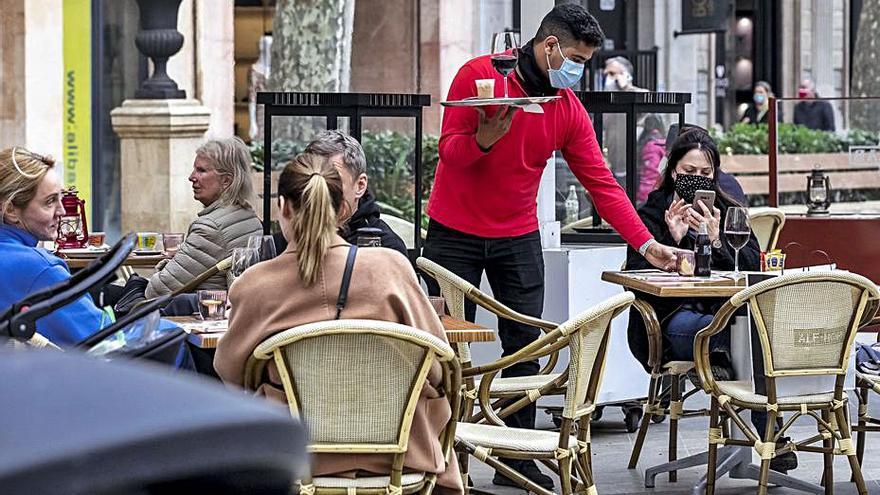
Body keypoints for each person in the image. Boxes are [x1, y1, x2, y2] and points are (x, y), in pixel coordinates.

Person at [423, 4, 677, 489]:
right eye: (577, 58)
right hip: (452, 233)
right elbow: (449, 155)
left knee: (526, 347)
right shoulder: (479, 76)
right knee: (440, 347)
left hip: (517, 236)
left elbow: (602, 185)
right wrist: (484, 139)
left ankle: (514, 460)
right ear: (550, 46)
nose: (579, 71)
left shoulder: (564, 106)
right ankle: (440, 459)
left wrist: (647, 245)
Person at [214, 152, 462, 494]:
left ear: (282, 207)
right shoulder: (391, 269)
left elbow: (231, 375)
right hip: (401, 453)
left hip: (293, 456)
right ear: (343, 209)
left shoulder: (255, 285)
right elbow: (439, 369)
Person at [624, 130, 797, 472]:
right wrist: (670, 244)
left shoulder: (727, 212)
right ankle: (768, 435)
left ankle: (730, 383)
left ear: (714, 176)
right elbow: (636, 273)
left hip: (724, 314)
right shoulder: (652, 214)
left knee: (747, 333)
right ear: (673, 171)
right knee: (740, 338)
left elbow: (751, 263)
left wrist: (718, 241)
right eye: (689, 172)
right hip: (671, 319)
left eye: (704, 174)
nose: (696, 180)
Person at [145, 137, 263, 298]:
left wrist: (166, 267)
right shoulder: (250, 217)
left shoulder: (210, 228)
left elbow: (156, 291)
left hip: (201, 314)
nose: (191, 177)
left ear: (226, 180)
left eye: (201, 171)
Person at [272, 130, 407, 257]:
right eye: (310, 179)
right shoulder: (283, 242)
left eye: (334, 180)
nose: (321, 189)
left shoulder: (386, 249)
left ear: (360, 185)